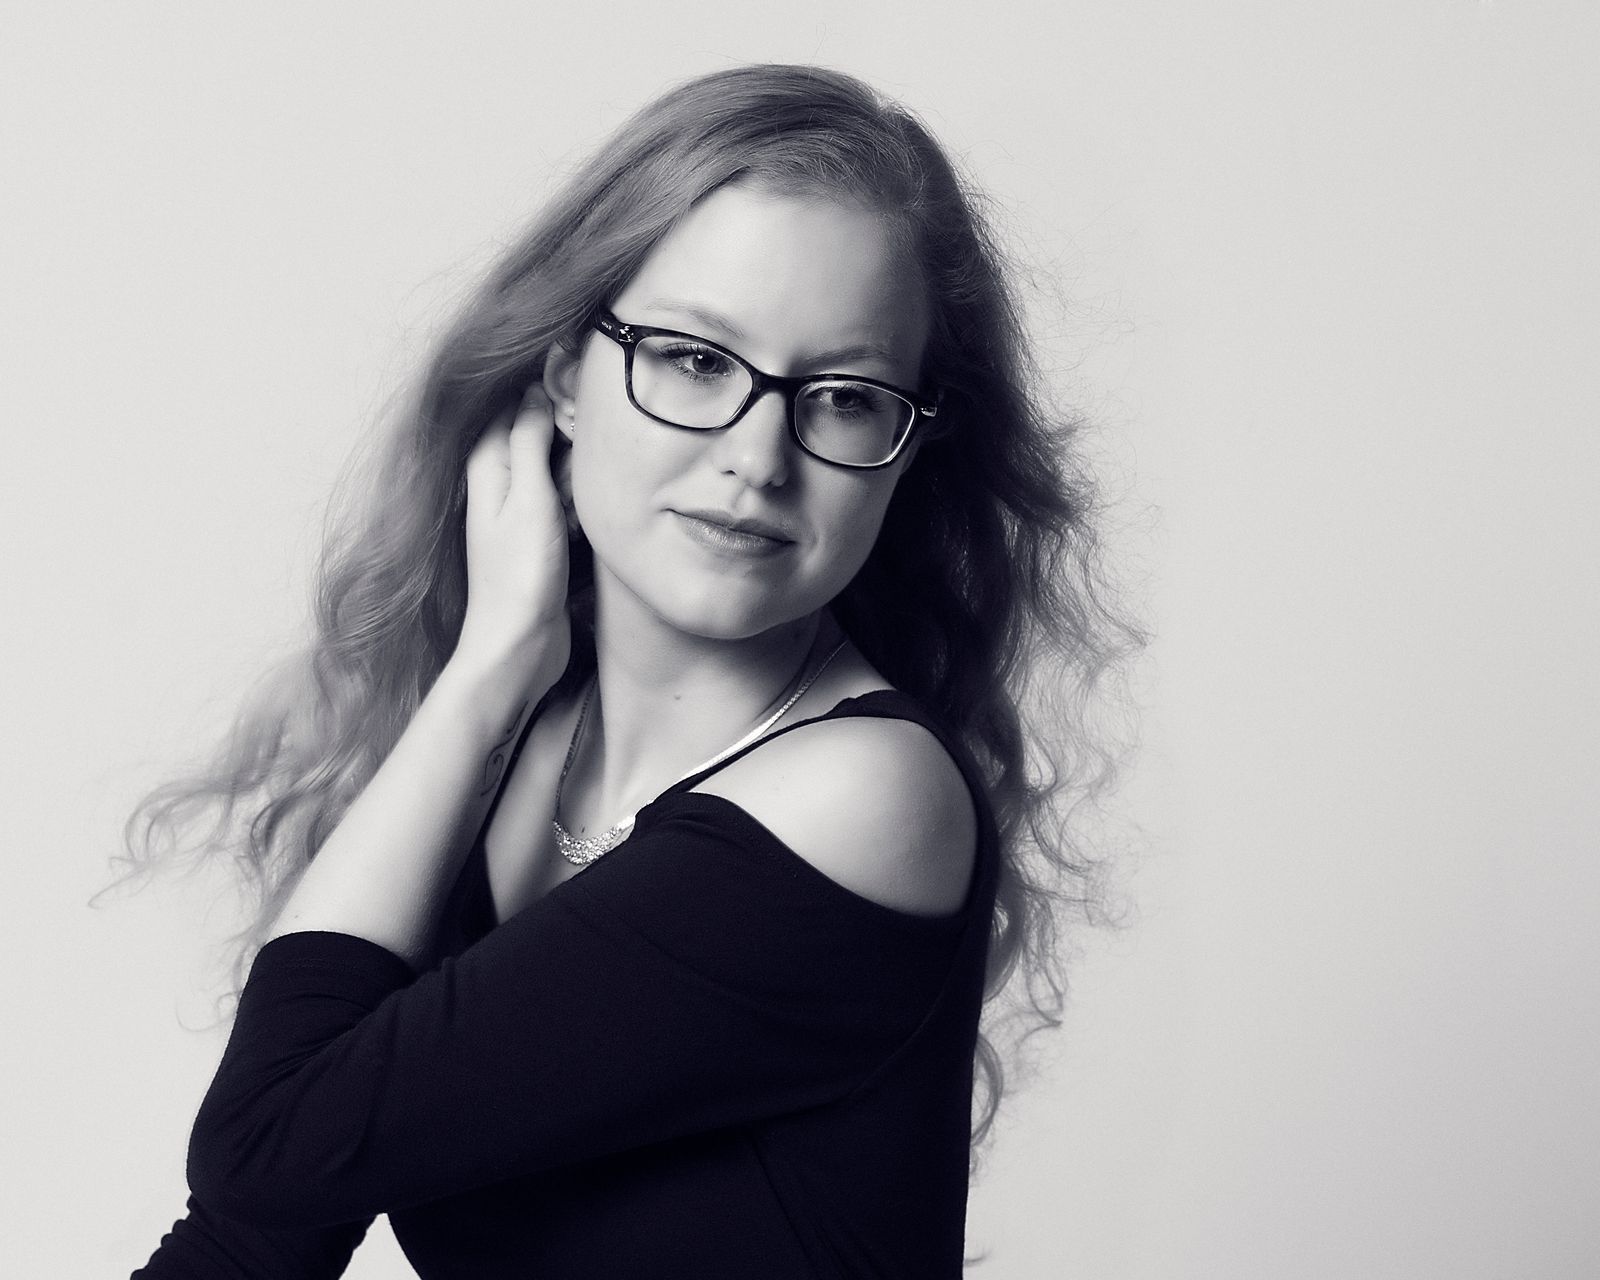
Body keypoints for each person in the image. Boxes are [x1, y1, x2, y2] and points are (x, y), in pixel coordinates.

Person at [126, 62, 1136, 1278]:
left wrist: (485, 674)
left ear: (906, 445)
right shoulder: (515, 747)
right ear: (564, 377)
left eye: (842, 396)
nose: (758, 456)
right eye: (696, 360)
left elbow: (270, 1144)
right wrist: (493, 672)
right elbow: (248, 1244)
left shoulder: (865, 799)